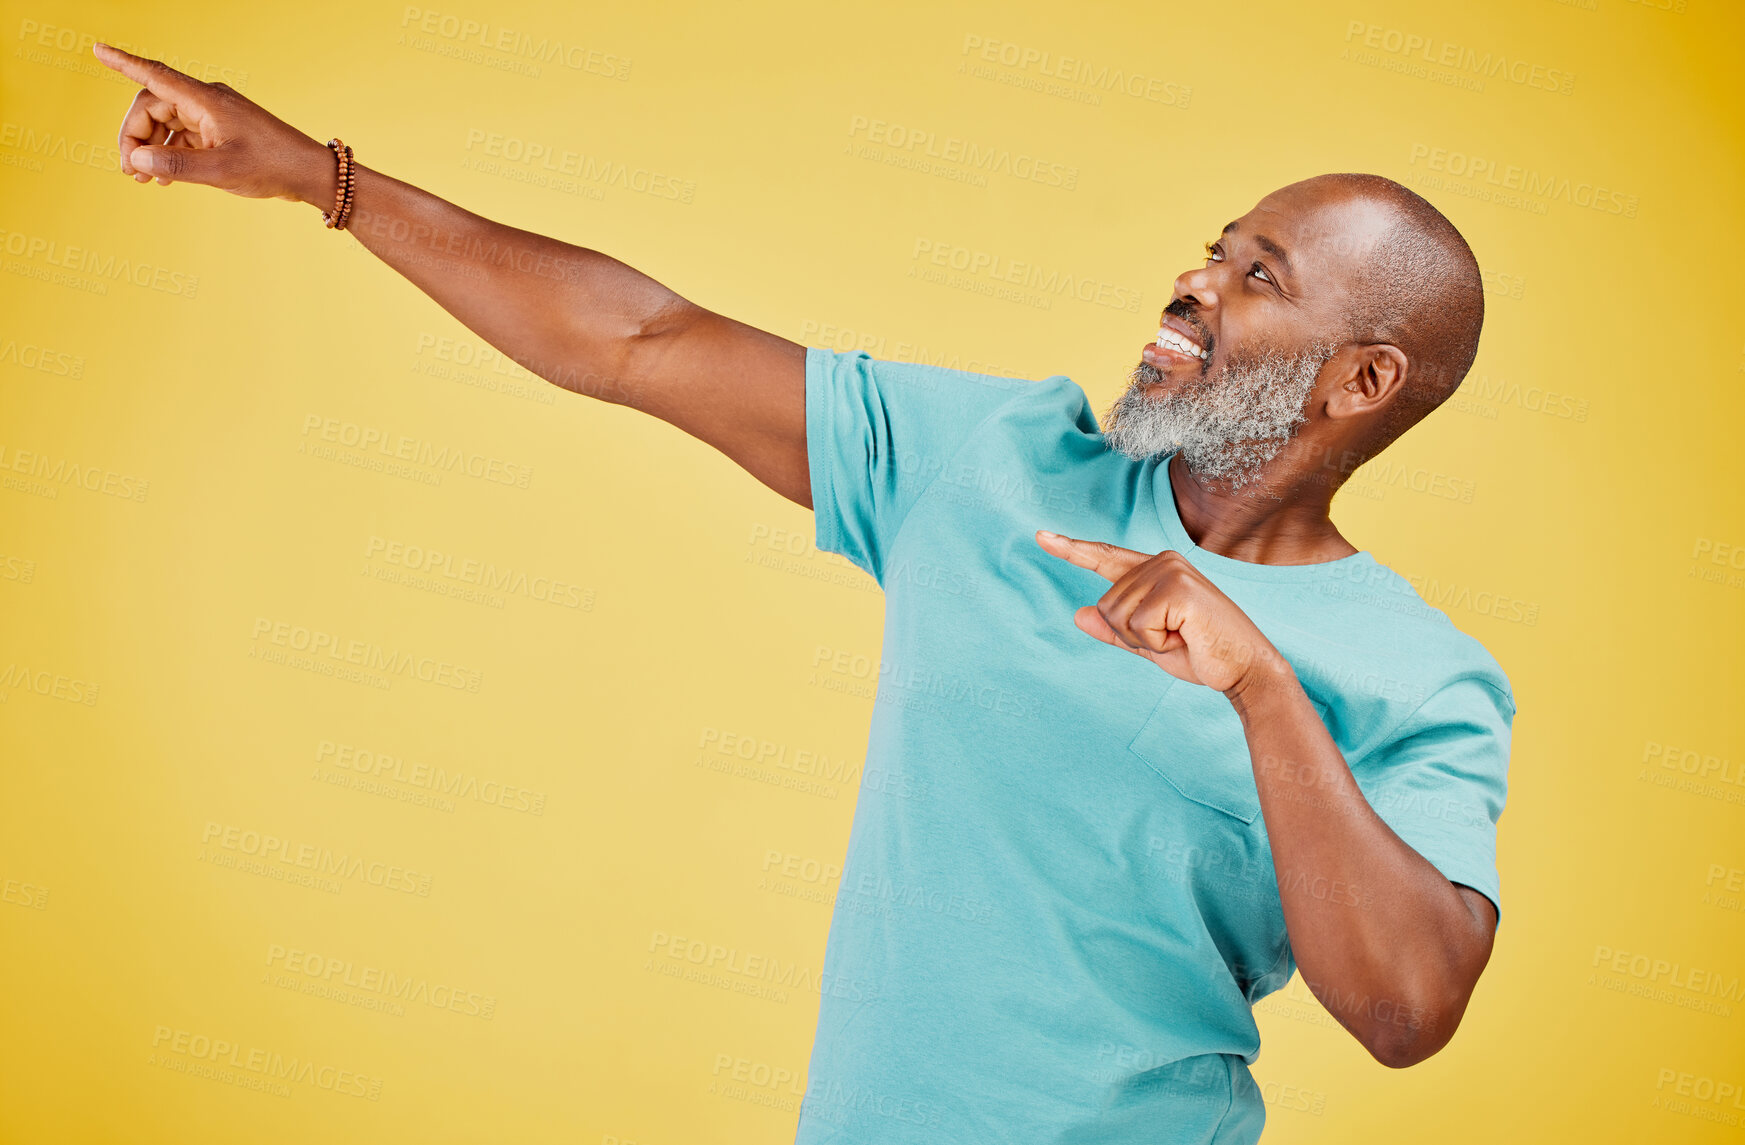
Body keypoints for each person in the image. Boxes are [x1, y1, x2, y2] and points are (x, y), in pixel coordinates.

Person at [93, 41, 1515, 1145]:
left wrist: (1263, 687)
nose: (1194, 282)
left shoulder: (1421, 675)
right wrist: (315, 180)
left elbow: (1402, 1005)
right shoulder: (997, 460)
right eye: (1212, 247)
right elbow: (637, 341)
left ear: (1360, 380)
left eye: (1255, 275)